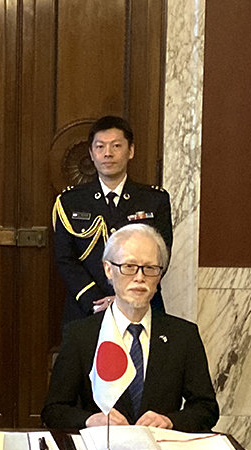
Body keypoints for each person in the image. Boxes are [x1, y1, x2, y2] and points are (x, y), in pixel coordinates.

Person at [42, 224, 218, 432]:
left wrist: (170, 421)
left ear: (159, 275)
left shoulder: (183, 336)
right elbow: (53, 411)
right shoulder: (81, 335)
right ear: (109, 269)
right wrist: (90, 420)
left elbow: (206, 408)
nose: (139, 278)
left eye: (150, 268)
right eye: (129, 266)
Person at [52, 116, 172, 326]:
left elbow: (161, 256)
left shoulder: (154, 200)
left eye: (116, 146)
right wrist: (95, 300)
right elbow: (65, 259)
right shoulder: (70, 202)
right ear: (91, 153)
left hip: (142, 306)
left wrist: (124, 299)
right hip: (86, 310)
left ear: (130, 151)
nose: (108, 153)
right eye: (100, 147)